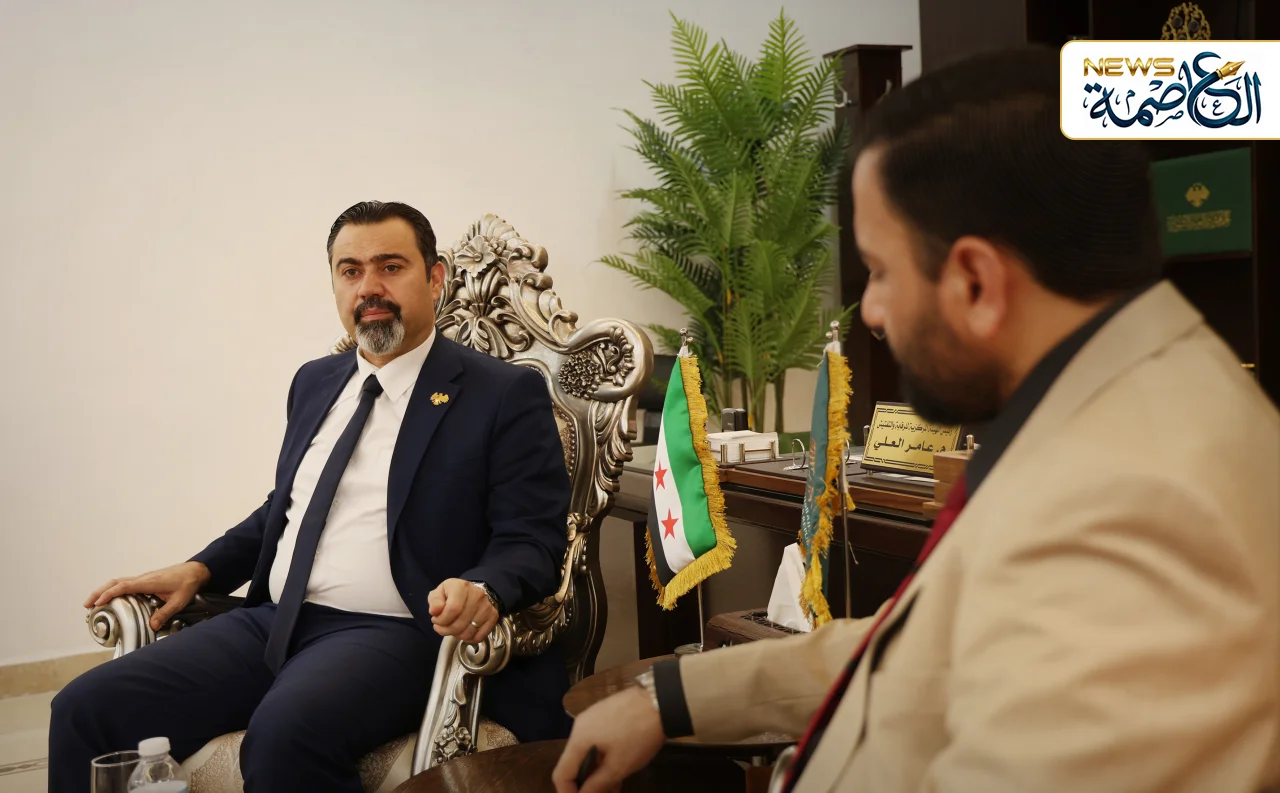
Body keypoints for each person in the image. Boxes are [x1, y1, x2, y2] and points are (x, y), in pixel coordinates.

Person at [554, 47, 1280, 793]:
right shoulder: (1107, 403)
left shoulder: (1142, 506)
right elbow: (934, 647)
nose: (869, 311)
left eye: (880, 270)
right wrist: (671, 700)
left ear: (975, 281)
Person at [51, 201, 573, 792]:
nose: (369, 288)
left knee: (286, 735)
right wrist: (200, 568)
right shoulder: (316, 381)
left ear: (435, 278)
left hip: (396, 631)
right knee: (85, 708)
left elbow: (533, 538)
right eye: (350, 271)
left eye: (390, 267)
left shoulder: (501, 392)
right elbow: (288, 509)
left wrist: (483, 587)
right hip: (276, 622)